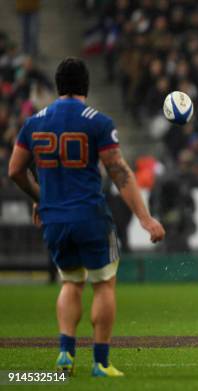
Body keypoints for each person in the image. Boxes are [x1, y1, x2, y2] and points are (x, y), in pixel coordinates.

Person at [8, 58, 165, 377]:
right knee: (104, 284)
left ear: (58, 85)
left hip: (55, 220)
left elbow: (15, 170)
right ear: (86, 86)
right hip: (90, 215)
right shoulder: (97, 122)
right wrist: (146, 218)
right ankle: (101, 362)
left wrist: (42, 198)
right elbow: (119, 172)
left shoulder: (34, 121)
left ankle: (65, 353)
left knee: (71, 281)